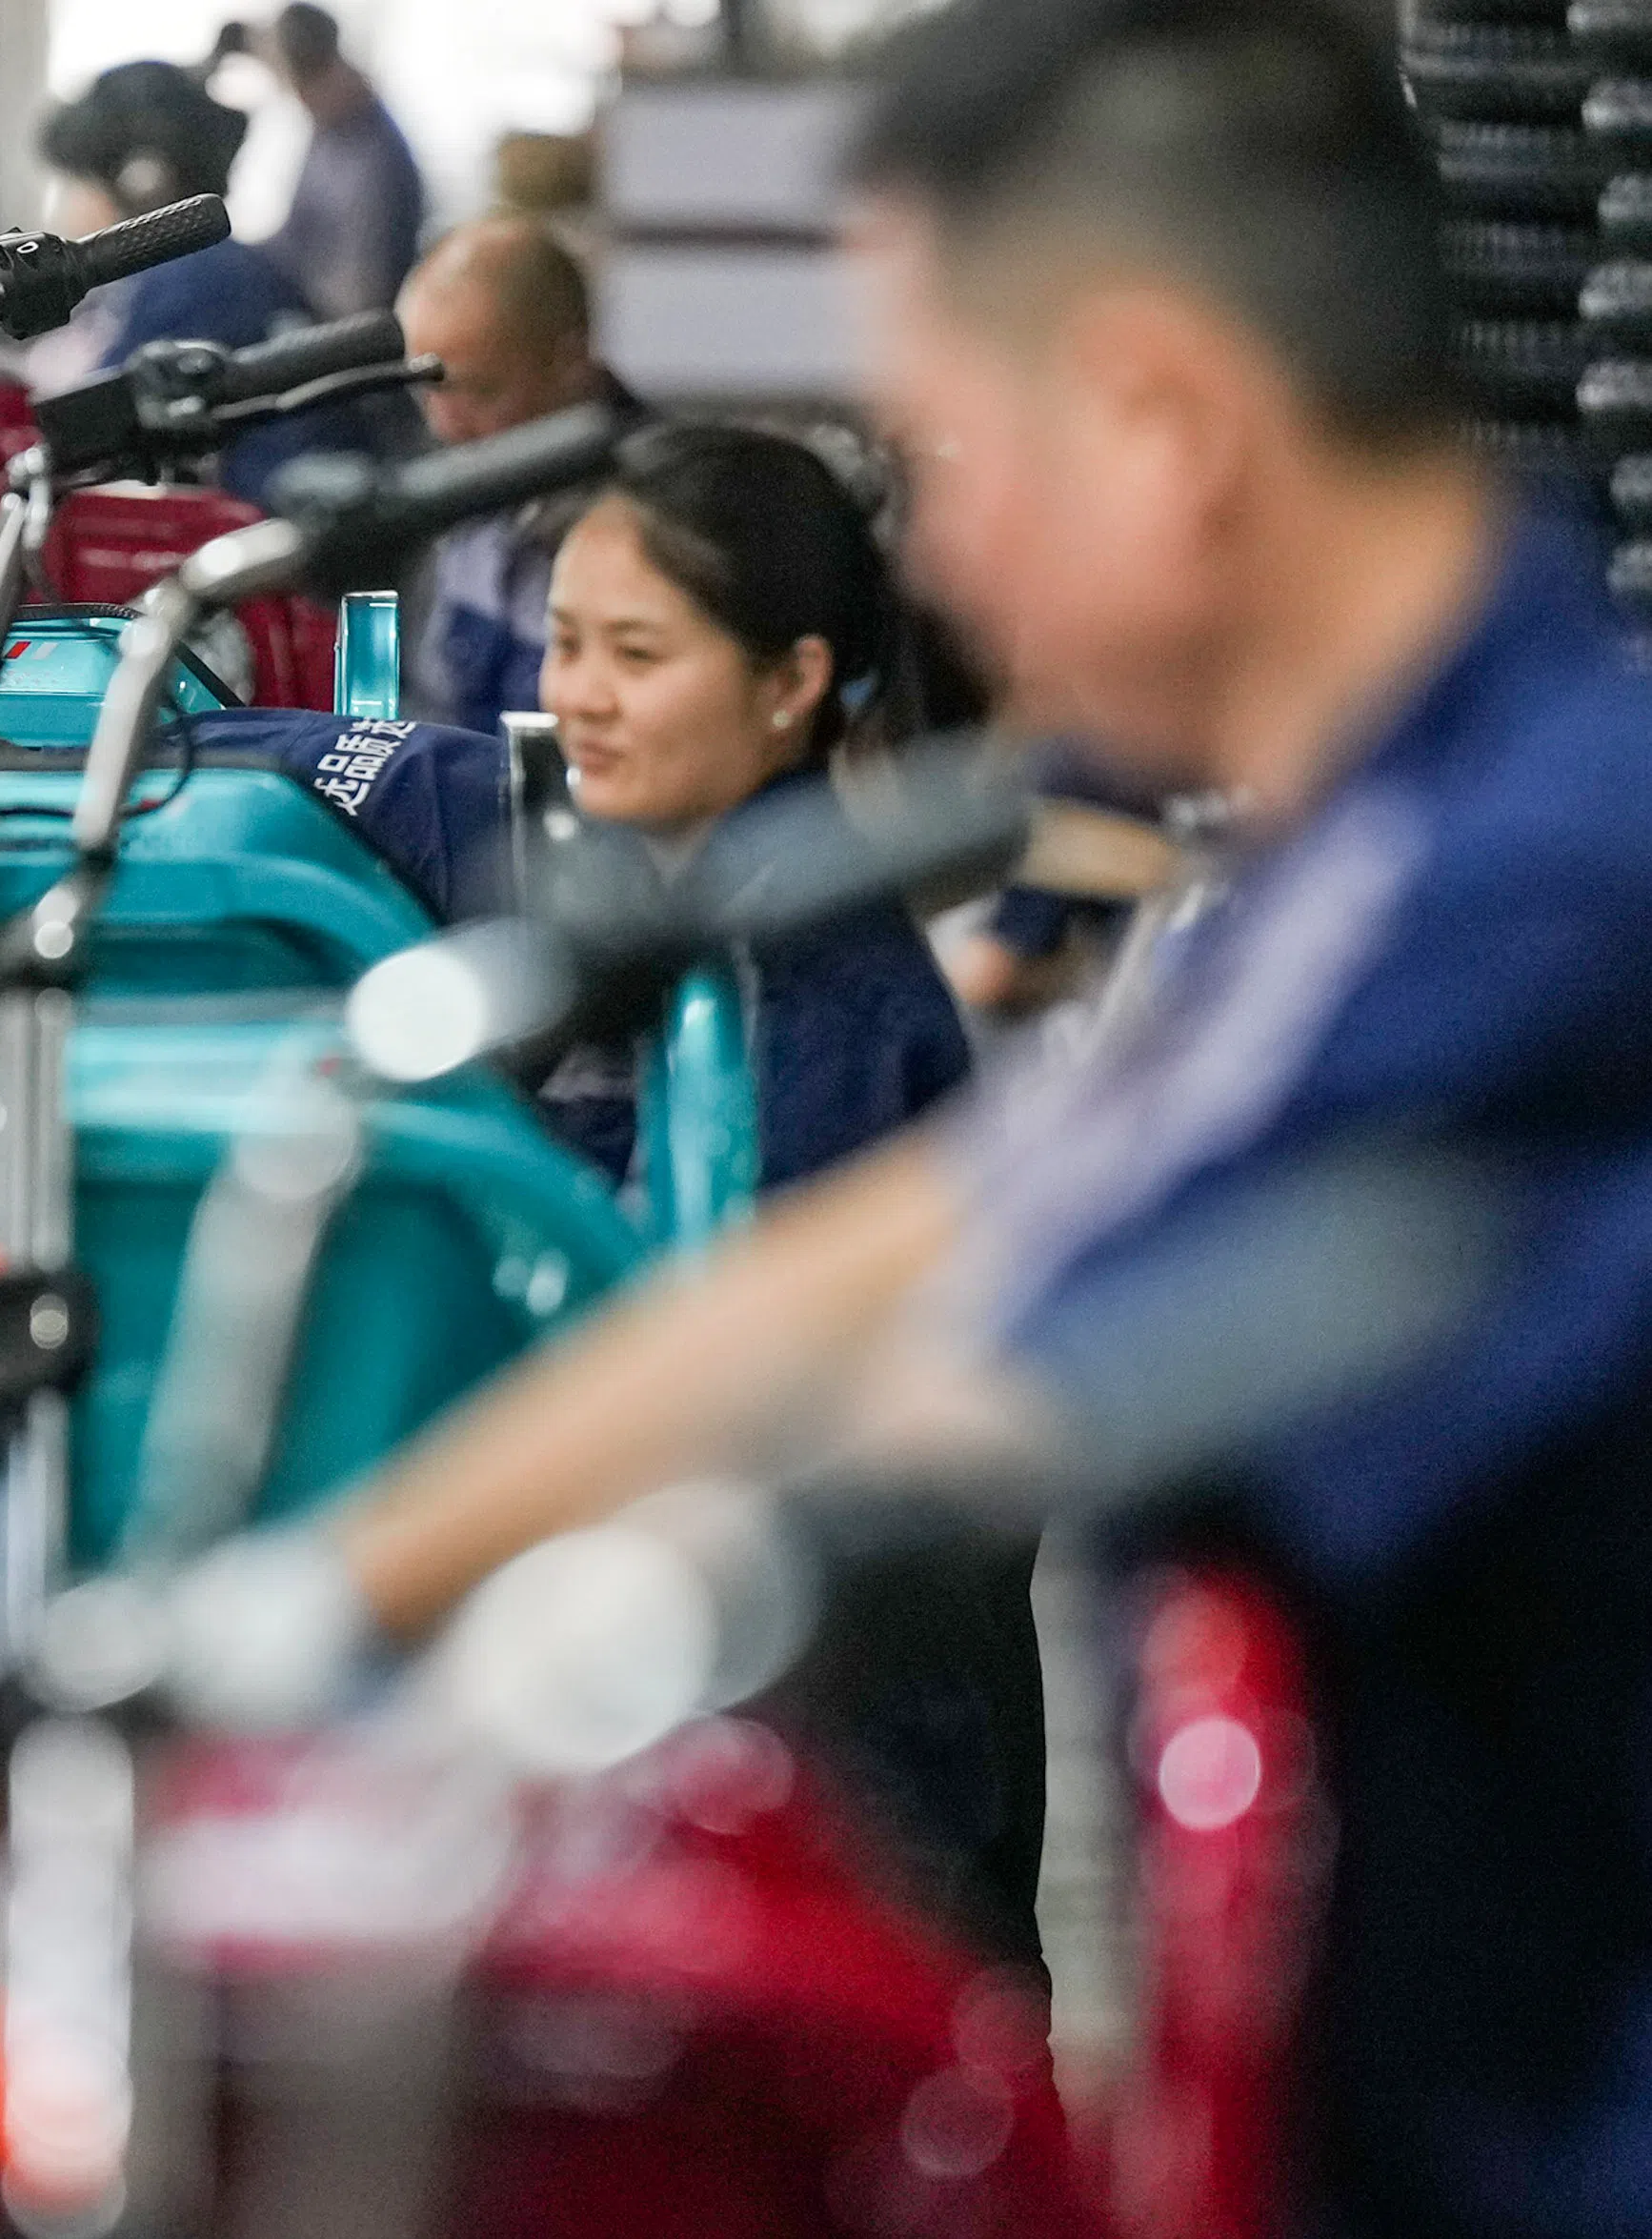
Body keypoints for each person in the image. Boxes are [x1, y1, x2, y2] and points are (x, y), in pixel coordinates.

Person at [246, 2, 1652, 2229]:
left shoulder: (1527, 900)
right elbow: (896, 1238)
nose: (944, 560)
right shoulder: (1400, 809)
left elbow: (925, 1372)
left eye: (946, 451)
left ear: (1162, 419)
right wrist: (295, 1607)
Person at [528, 424, 975, 1195]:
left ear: (790, 683)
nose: (579, 698)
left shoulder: (810, 989)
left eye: (636, 655)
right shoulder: (654, 896)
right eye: (565, 644)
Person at [37, 61, 363, 505]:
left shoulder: (187, 277)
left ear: (141, 181)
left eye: (79, 182)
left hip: (266, 531)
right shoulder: (225, 265)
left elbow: (85, 432)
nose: (67, 205)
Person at [393, 218, 643, 737]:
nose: (446, 423)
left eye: (479, 392)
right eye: (426, 391)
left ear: (571, 361)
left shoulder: (657, 511)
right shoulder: (439, 485)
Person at [256, 4, 425, 322]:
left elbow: (362, 293)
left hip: (349, 330)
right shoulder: (328, 134)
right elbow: (293, 235)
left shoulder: (376, 156)